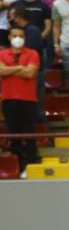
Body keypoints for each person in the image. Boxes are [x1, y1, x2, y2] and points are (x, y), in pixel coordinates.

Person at [0, 28, 39, 174]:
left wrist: (9, 69)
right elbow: (0, 71)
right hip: (9, 100)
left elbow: (30, 73)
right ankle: (17, 166)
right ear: (9, 37)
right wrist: (19, 68)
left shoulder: (32, 53)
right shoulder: (2, 54)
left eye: (21, 36)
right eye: (15, 35)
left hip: (28, 100)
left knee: (29, 134)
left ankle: (31, 165)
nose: (18, 38)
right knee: (13, 135)